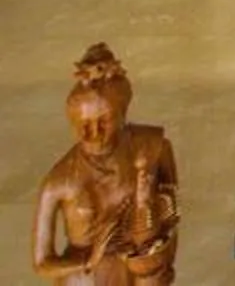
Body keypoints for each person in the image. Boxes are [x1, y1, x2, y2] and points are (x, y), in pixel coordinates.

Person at [29, 44, 177, 283]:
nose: (93, 134)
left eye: (104, 121)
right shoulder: (60, 180)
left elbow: (170, 218)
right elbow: (42, 263)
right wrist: (87, 262)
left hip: (139, 270)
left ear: (122, 116)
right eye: (83, 124)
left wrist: (157, 262)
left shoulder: (150, 147)